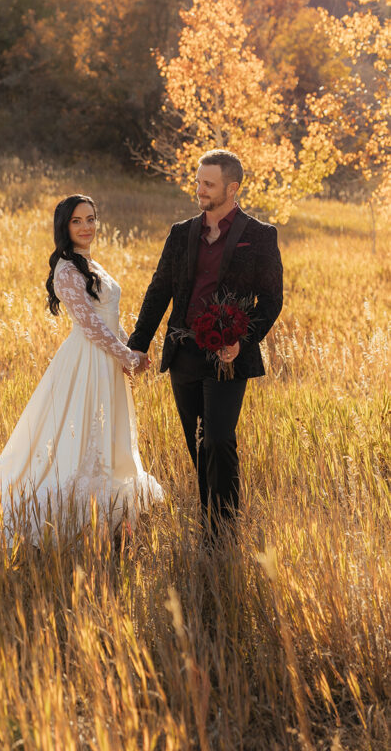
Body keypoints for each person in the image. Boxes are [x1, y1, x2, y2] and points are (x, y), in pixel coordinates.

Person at [0, 194, 163, 541]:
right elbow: (89, 324)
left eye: (91, 219)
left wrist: (132, 348)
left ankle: (107, 512)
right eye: (77, 221)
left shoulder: (91, 264)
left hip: (106, 358)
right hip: (86, 360)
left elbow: (109, 317)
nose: (86, 226)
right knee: (77, 432)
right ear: (64, 227)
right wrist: (125, 355)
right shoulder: (65, 269)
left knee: (106, 430)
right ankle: (72, 510)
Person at [128, 150, 283, 537]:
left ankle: (225, 528)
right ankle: (208, 523)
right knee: (198, 443)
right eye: (197, 181)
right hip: (183, 352)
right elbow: (159, 289)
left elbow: (272, 298)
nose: (199, 189)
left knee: (218, 438)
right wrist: (138, 344)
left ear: (232, 188)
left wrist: (241, 342)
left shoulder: (260, 236)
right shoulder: (181, 233)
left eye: (208, 184)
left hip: (228, 355)